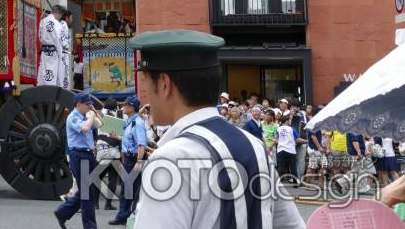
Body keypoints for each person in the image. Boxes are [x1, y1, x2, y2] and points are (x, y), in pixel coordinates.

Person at [129, 29, 304, 229]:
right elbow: (291, 224)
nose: (146, 95)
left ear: (164, 84)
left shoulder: (171, 157)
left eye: (146, 84)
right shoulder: (254, 145)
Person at [54, 93, 102, 229]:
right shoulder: (73, 117)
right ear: (78, 104)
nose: (89, 106)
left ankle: (62, 212)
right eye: (87, 104)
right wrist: (92, 115)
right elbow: (85, 128)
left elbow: (100, 124)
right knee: (87, 194)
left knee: (88, 191)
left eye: (90, 104)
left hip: (89, 156)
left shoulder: (84, 116)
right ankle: (90, 226)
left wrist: (93, 113)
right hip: (79, 156)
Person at [111, 96, 148, 225]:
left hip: (133, 160)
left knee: (130, 190)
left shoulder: (137, 123)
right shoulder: (130, 121)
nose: (123, 107)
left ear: (132, 107)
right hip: (129, 159)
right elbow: (131, 141)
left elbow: (141, 144)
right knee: (128, 189)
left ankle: (126, 217)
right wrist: (118, 138)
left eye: (126, 105)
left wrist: (138, 161)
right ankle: (126, 217)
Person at [37, 5, 64, 87]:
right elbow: (58, 40)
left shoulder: (43, 21)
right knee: (53, 73)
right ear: (59, 13)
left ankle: (42, 90)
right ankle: (51, 93)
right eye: (60, 16)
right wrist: (61, 53)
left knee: (44, 72)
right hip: (53, 53)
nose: (60, 18)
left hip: (44, 52)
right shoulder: (57, 24)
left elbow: (40, 36)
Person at [275, 114, 303, 186]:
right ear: (287, 121)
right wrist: (306, 141)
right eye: (290, 120)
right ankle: (295, 182)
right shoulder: (292, 129)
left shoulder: (278, 128)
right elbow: (297, 139)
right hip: (290, 150)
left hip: (280, 150)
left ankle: (277, 182)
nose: (291, 121)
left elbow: (276, 140)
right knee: (293, 167)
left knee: (281, 167)